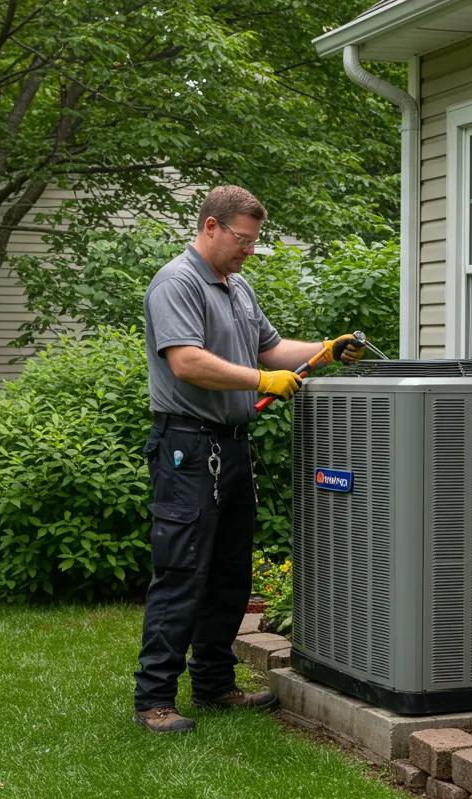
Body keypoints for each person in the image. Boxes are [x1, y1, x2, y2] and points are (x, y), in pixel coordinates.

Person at [132, 185, 365, 733]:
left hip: (231, 447)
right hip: (186, 448)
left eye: (255, 240)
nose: (250, 250)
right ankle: (154, 700)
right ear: (211, 227)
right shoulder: (177, 283)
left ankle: (215, 684)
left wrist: (322, 351)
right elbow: (187, 362)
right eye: (243, 238)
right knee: (183, 571)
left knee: (231, 573)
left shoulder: (237, 288)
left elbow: (271, 350)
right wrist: (262, 381)